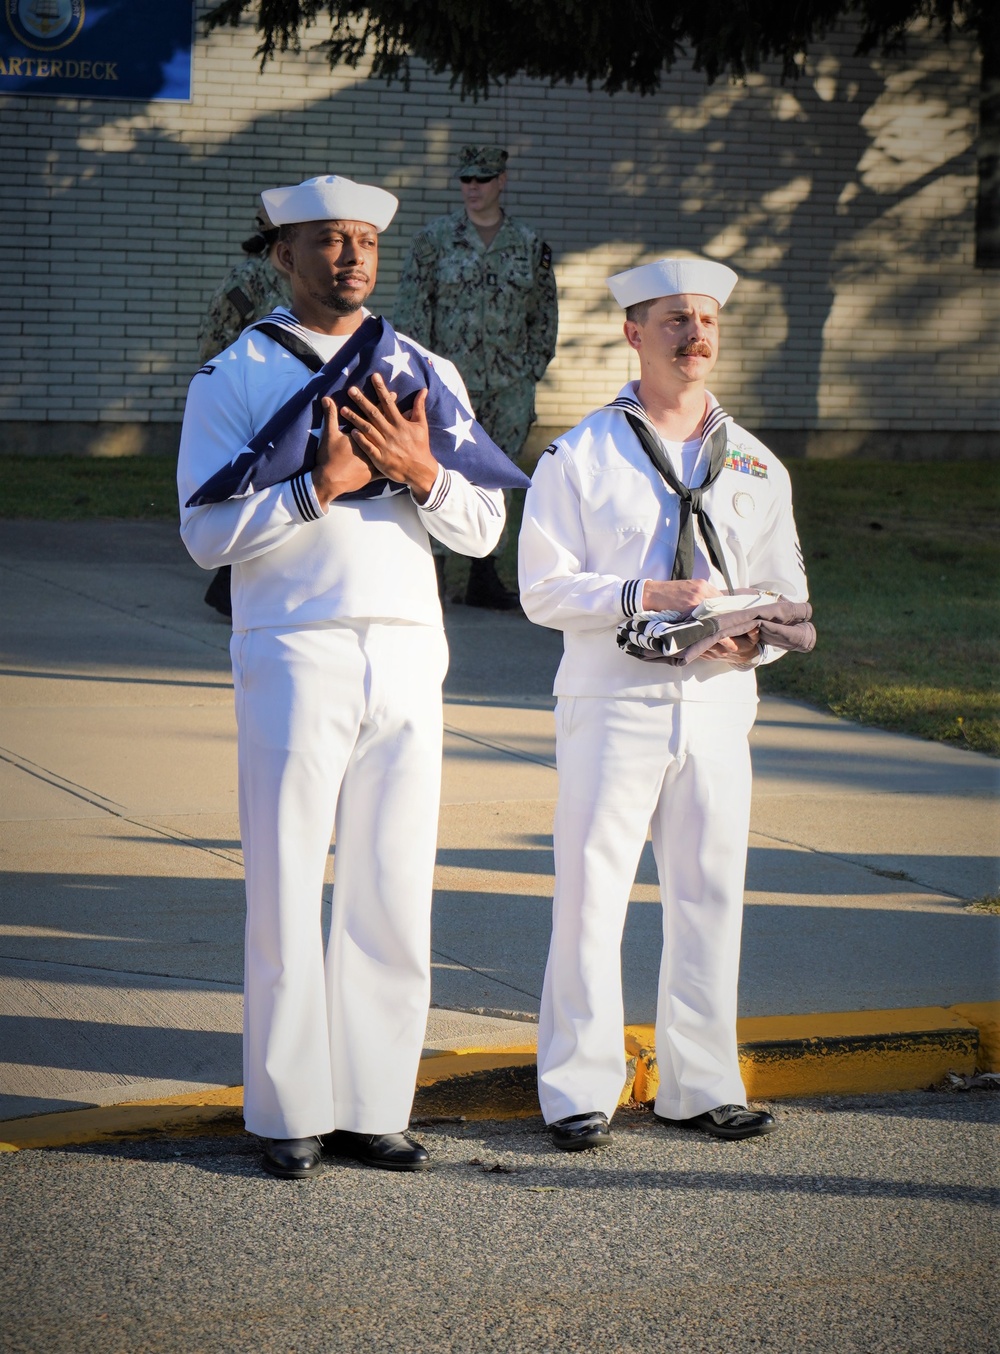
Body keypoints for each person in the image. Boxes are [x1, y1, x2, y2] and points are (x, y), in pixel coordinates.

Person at [177, 175, 506, 1180]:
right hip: (295, 647)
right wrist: (315, 488)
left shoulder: (425, 367)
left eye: (363, 240)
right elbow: (202, 533)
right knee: (283, 885)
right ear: (281, 255)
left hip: (407, 649)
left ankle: (374, 1106)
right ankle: (286, 1111)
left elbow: (484, 524)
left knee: (393, 888)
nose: (351, 257)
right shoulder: (231, 374)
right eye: (327, 241)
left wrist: (421, 471)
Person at [518, 256, 809, 1151]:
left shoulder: (757, 463)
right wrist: (645, 599)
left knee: (710, 894)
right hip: (615, 701)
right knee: (592, 896)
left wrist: (753, 635)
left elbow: (792, 595)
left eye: (708, 321)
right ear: (633, 333)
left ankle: (700, 1084)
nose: (695, 335)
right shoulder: (582, 453)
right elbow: (542, 590)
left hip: (719, 705)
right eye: (674, 320)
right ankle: (578, 1090)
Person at [394, 145, 558, 608]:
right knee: (438, 468)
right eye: (466, 179)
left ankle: (484, 577)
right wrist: (418, 378)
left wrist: (528, 371)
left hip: (508, 387)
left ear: (501, 181)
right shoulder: (435, 241)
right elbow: (412, 310)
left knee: (496, 472)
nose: (473, 188)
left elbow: (544, 315)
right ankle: (435, 574)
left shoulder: (529, 246)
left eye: (482, 179)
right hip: (447, 383)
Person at [197, 212, 293, 619]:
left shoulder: (304, 278)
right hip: (250, 404)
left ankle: (241, 589)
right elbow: (214, 345)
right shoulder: (246, 283)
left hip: (291, 403)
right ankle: (228, 589)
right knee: (251, 495)